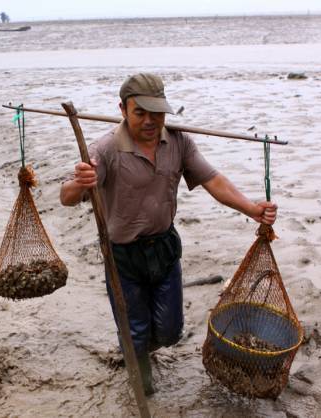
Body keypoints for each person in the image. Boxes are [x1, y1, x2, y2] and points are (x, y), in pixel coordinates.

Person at [59, 73, 278, 395]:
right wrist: (81, 181)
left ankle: (142, 346)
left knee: (170, 331)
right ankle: (140, 374)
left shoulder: (178, 142)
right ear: (123, 109)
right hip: (122, 255)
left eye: (157, 113)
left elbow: (213, 180)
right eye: (140, 113)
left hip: (164, 247)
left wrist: (251, 209)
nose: (150, 122)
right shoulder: (104, 149)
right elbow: (67, 197)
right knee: (135, 332)